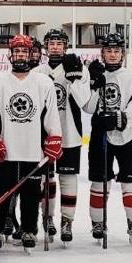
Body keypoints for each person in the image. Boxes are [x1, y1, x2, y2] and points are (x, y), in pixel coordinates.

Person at [0, 34, 62, 252]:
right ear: (10, 55)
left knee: (31, 195)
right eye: (16, 51)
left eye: (24, 52)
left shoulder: (43, 83)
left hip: (33, 150)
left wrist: (54, 137)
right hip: (6, 151)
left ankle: (29, 230)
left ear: (31, 55)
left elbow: (51, 115)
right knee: (1, 192)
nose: (20, 55)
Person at [82, 33, 132, 245]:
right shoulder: (95, 75)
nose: (112, 54)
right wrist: (93, 84)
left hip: (128, 134)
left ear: (122, 53)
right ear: (102, 53)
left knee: (131, 181)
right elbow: (88, 107)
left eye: (116, 50)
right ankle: (98, 223)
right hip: (100, 134)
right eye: (109, 51)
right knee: (99, 181)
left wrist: (121, 118)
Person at [34, 29, 90, 243]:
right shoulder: (37, 71)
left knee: (68, 177)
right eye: (52, 43)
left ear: (65, 46)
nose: (55, 47)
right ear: (46, 47)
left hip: (70, 133)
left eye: (59, 43)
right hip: (44, 135)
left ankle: (67, 221)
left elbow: (84, 101)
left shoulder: (79, 68)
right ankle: (47, 217)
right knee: (45, 179)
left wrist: (73, 79)